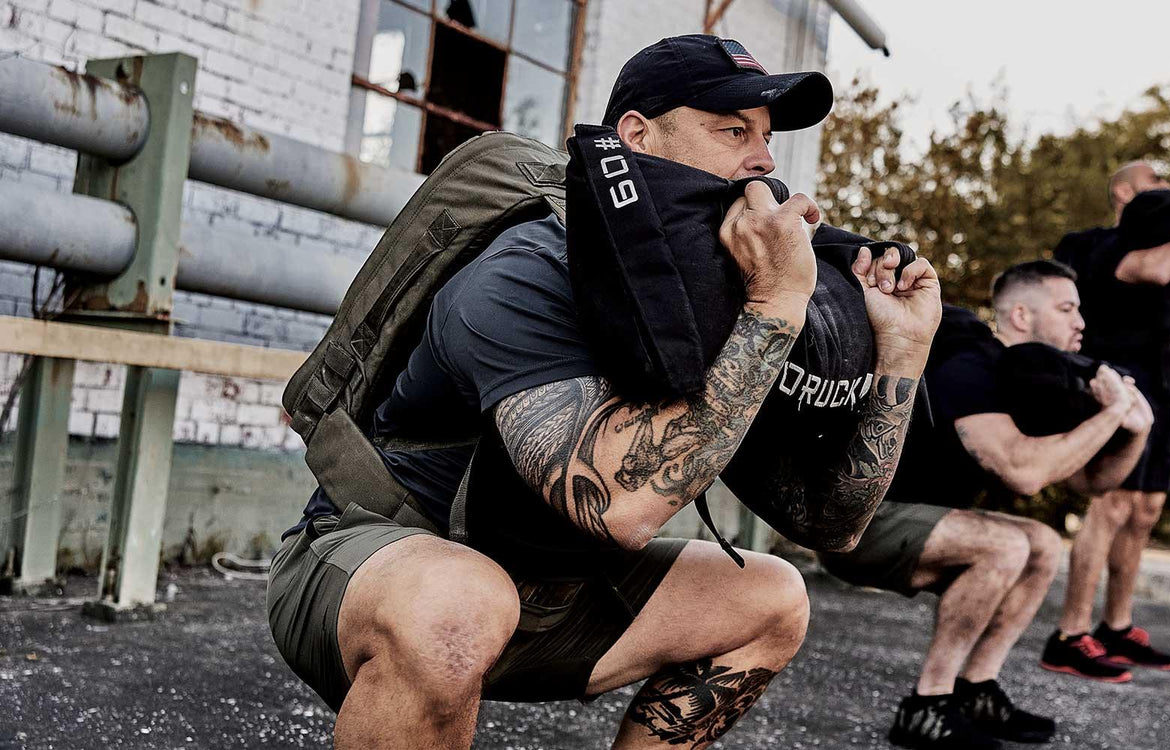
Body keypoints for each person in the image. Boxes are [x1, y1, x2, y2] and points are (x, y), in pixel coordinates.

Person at [265, 34, 942, 749]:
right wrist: (775, 305)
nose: (764, 162)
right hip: (379, 569)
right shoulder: (527, 269)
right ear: (636, 136)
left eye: (767, 138)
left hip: (551, 602)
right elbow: (620, 505)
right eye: (731, 130)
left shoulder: (711, 300)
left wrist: (902, 349)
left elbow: (832, 523)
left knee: (771, 599)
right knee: (460, 602)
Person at [816, 260, 1153, 749]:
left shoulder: (1028, 382)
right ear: (1020, 315)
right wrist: (1114, 412)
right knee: (1004, 545)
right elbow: (1023, 472)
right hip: (859, 522)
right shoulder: (970, 365)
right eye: (1066, 309)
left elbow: (1092, 481)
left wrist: (1134, 432)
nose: (1080, 323)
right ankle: (927, 707)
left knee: (1041, 543)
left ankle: (975, 690)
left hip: (919, 523)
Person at [1043, 161, 1170, 682]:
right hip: (1112, 380)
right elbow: (1155, 269)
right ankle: (1069, 635)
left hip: (1162, 384)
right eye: (1157, 182)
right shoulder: (1095, 246)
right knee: (1112, 504)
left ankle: (1116, 626)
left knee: (1146, 509)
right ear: (1125, 190)